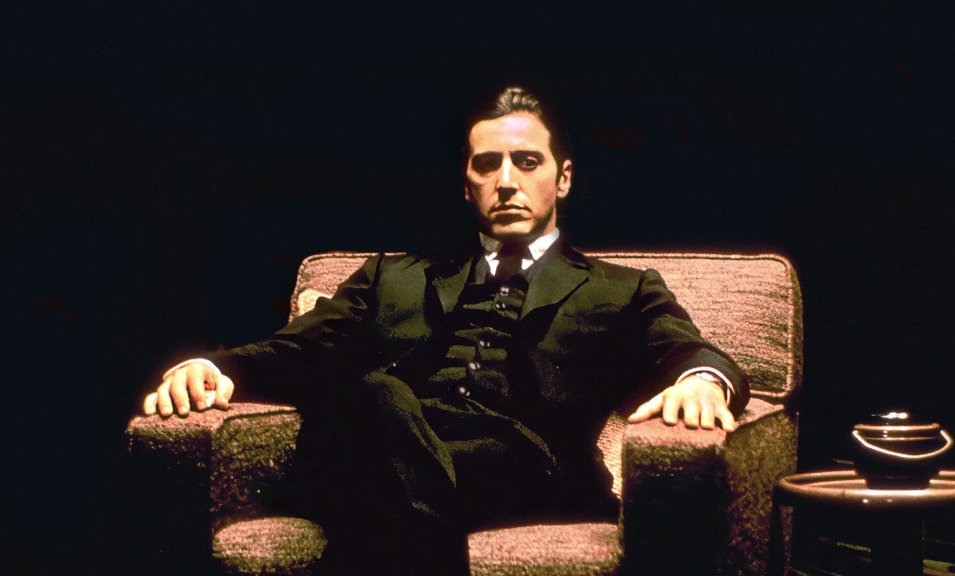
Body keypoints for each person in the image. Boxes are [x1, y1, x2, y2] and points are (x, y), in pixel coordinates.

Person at [141, 86, 748, 576]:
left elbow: (693, 352)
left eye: (526, 162)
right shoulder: (390, 276)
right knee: (376, 397)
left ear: (562, 178)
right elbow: (299, 348)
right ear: (466, 183)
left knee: (373, 428)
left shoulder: (621, 288)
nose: (505, 180)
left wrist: (703, 380)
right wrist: (212, 366)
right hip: (378, 443)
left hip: (524, 475)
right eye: (487, 164)